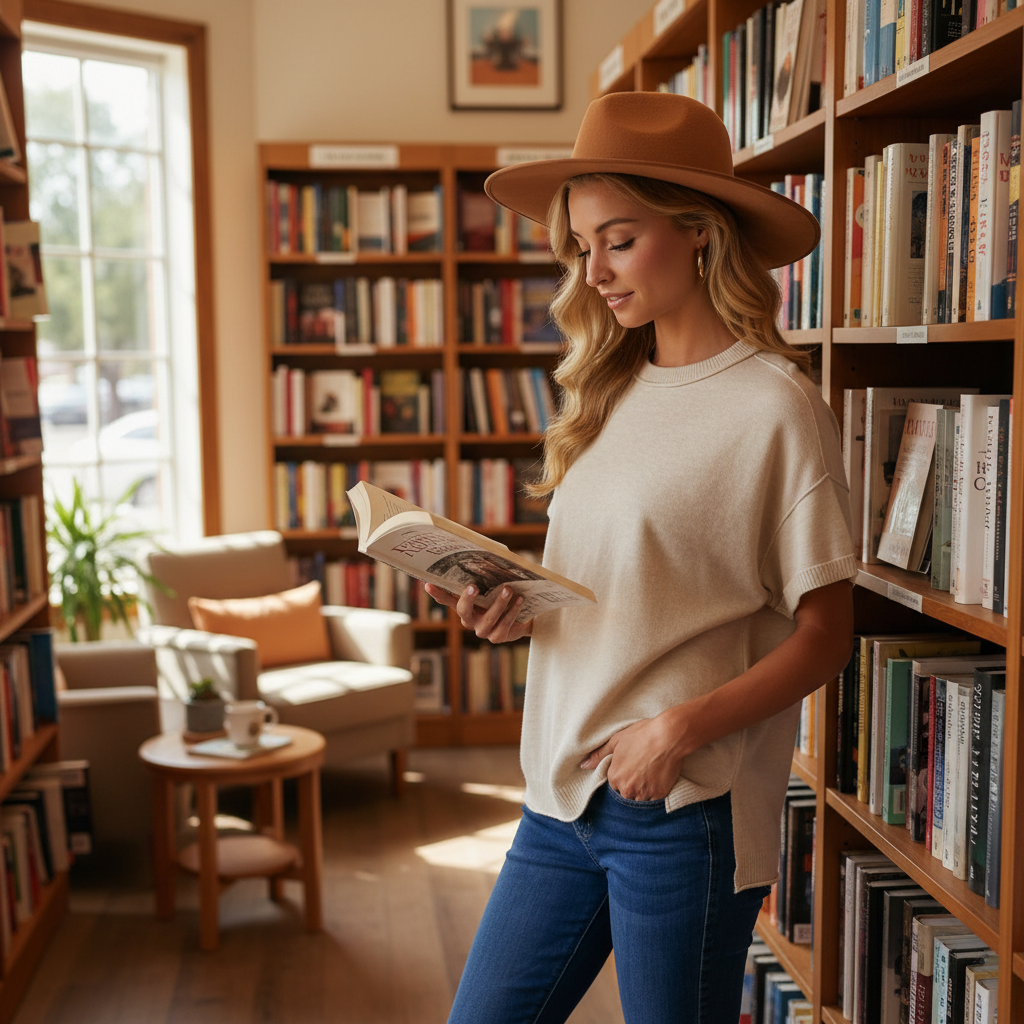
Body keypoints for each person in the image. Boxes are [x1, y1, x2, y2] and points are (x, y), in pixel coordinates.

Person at [425, 91, 857, 1024]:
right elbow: (620, 589)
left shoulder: (777, 409)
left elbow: (827, 639)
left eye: (618, 240)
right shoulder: (607, 390)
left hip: (680, 811)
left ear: (699, 232)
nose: (595, 272)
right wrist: (511, 605)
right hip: (558, 794)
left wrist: (679, 730)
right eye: (583, 246)